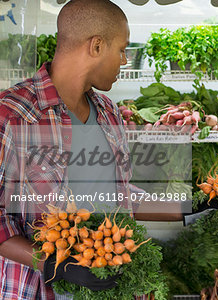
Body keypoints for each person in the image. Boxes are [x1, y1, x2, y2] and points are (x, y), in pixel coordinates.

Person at [0, 0, 135, 299]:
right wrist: (53, 266)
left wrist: (187, 207)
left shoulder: (110, 113)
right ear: (96, 46)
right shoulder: (12, 114)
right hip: (37, 289)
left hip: (111, 285)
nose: (124, 61)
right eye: (122, 49)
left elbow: (116, 192)